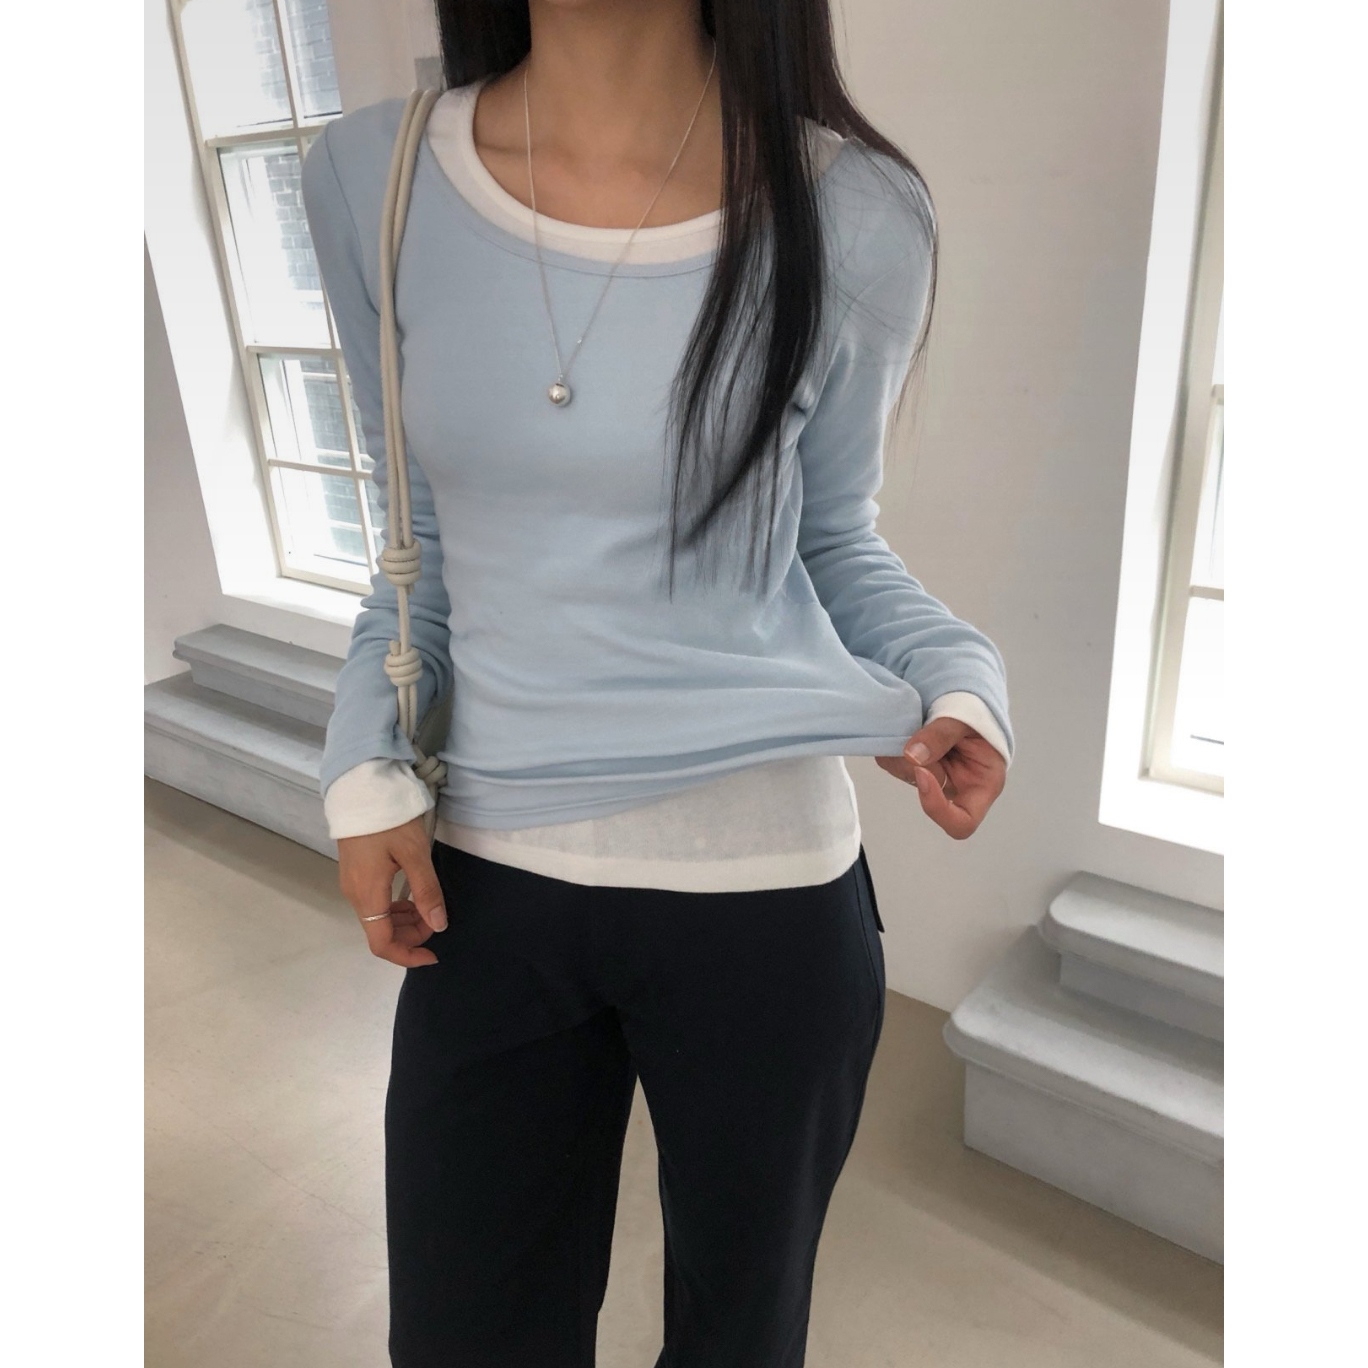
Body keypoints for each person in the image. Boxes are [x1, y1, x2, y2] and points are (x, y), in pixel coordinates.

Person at [301, 3, 1014, 1364]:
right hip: (484, 886)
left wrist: (958, 679)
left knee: (741, 1339)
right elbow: (414, 540)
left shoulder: (859, 209)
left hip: (767, 897)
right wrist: (362, 758)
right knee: (463, 1337)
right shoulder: (370, 178)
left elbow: (834, 538)